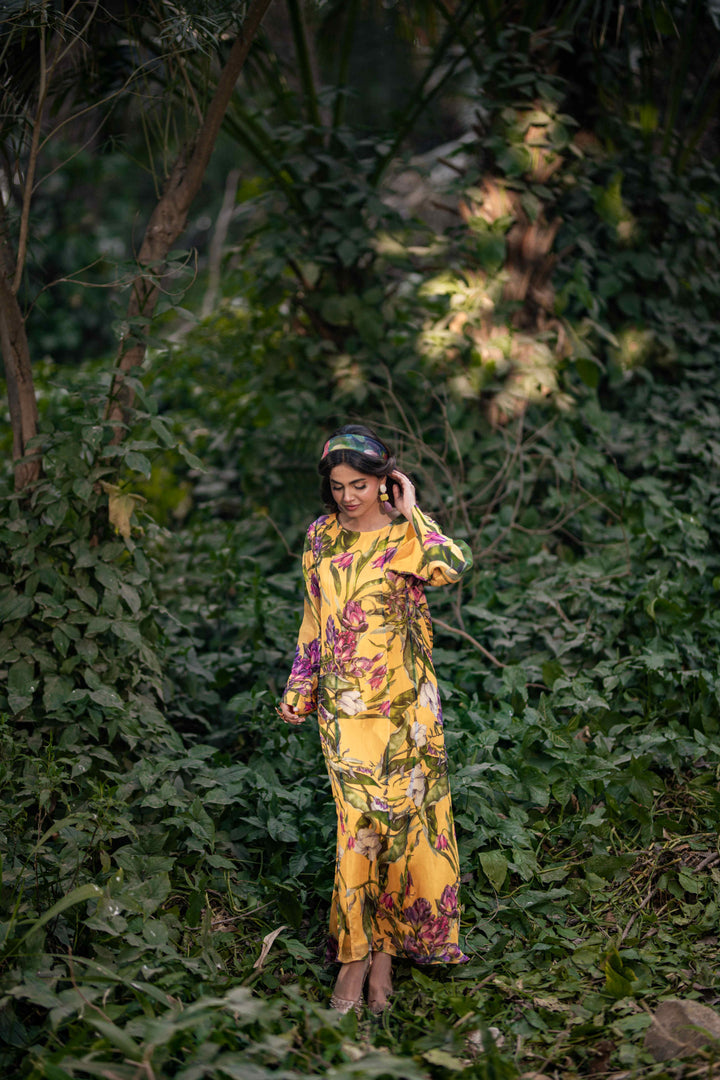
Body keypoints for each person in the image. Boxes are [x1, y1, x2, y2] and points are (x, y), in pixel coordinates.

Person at [277, 424, 472, 1015]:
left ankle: (383, 959)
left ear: (385, 482)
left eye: (359, 485)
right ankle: (353, 961)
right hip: (345, 710)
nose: (347, 497)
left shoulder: (405, 535)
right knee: (358, 830)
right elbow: (315, 617)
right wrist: (301, 686)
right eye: (338, 486)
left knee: (403, 830)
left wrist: (413, 512)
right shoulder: (320, 537)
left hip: (407, 709)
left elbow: (452, 566)